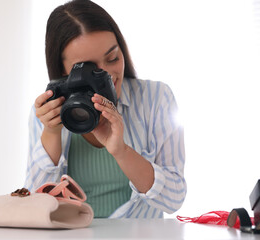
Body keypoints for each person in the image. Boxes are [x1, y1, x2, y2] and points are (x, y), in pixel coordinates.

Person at [24, 0, 186, 218]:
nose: (108, 75)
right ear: (63, 72)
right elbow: (33, 207)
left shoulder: (156, 98)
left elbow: (174, 199)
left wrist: (122, 152)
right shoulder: (48, 113)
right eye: (89, 70)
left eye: (113, 58)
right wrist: (51, 134)